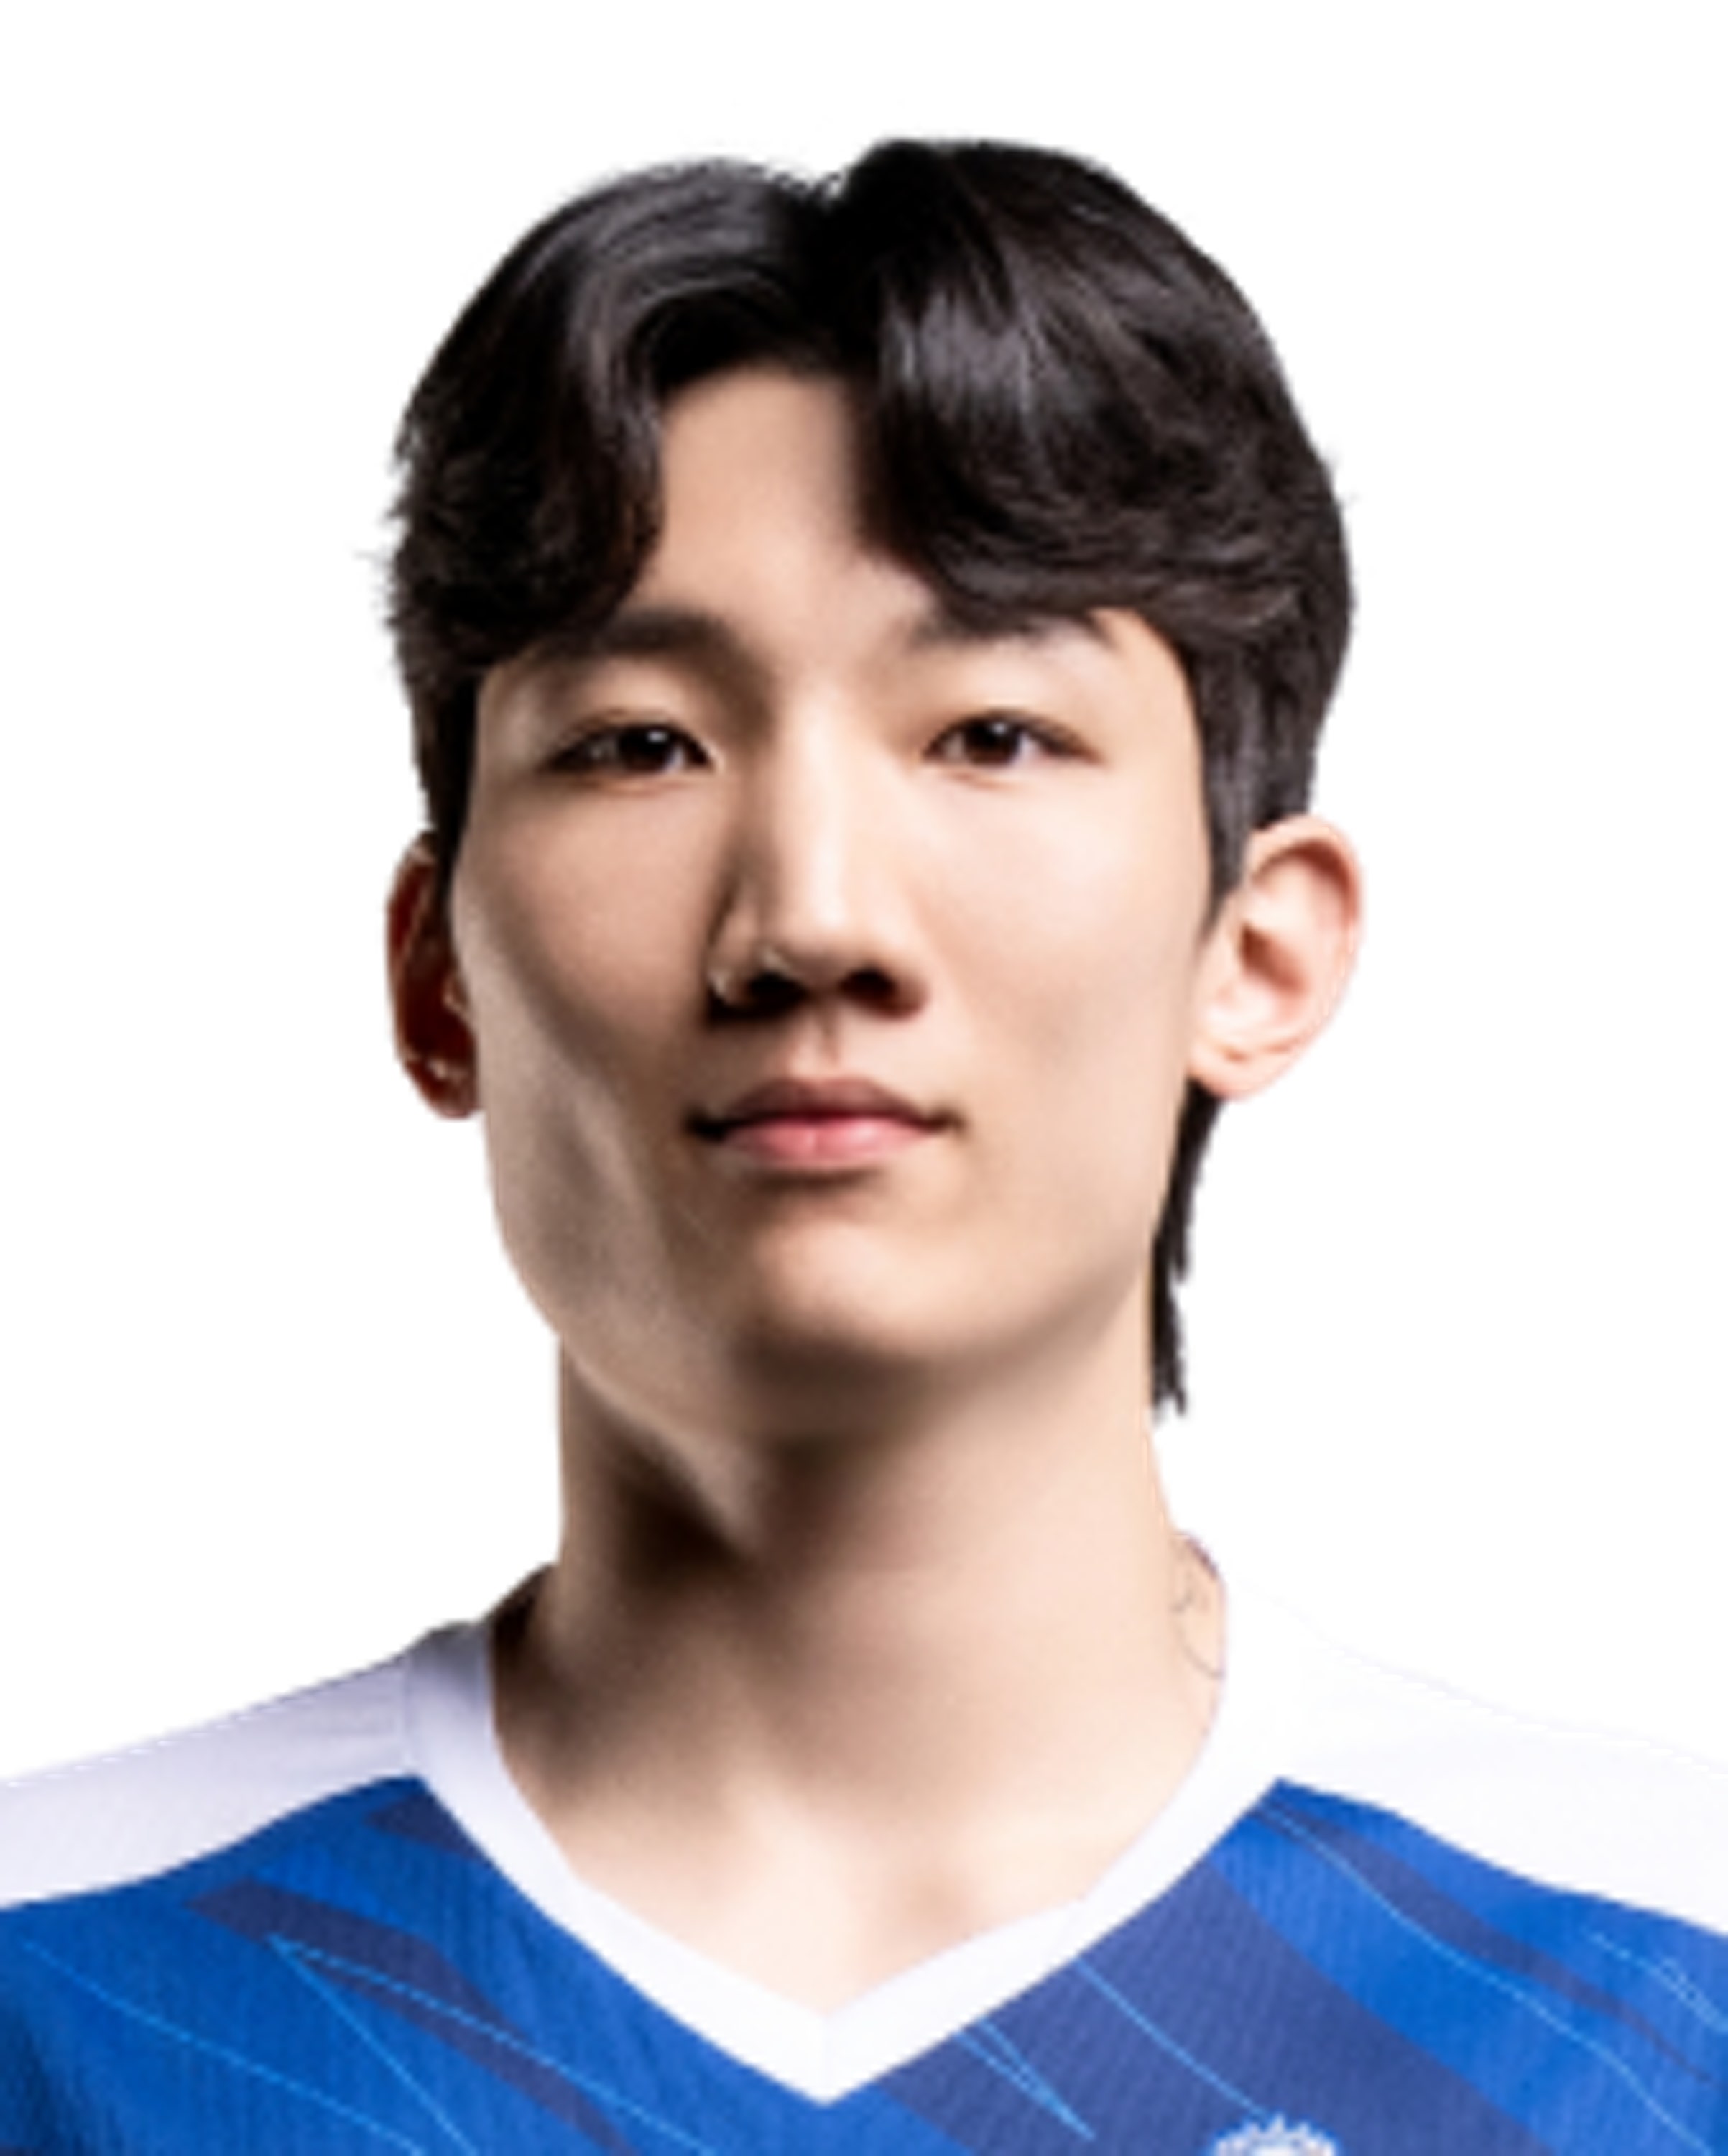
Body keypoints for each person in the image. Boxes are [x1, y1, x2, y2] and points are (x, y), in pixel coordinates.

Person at [1, 138, 1723, 2155]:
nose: (812, 917)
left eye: (991, 732)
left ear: (1256, 952)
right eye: (641, 744)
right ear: (436, 974)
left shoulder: (1663, 1988)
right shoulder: (58, 1987)